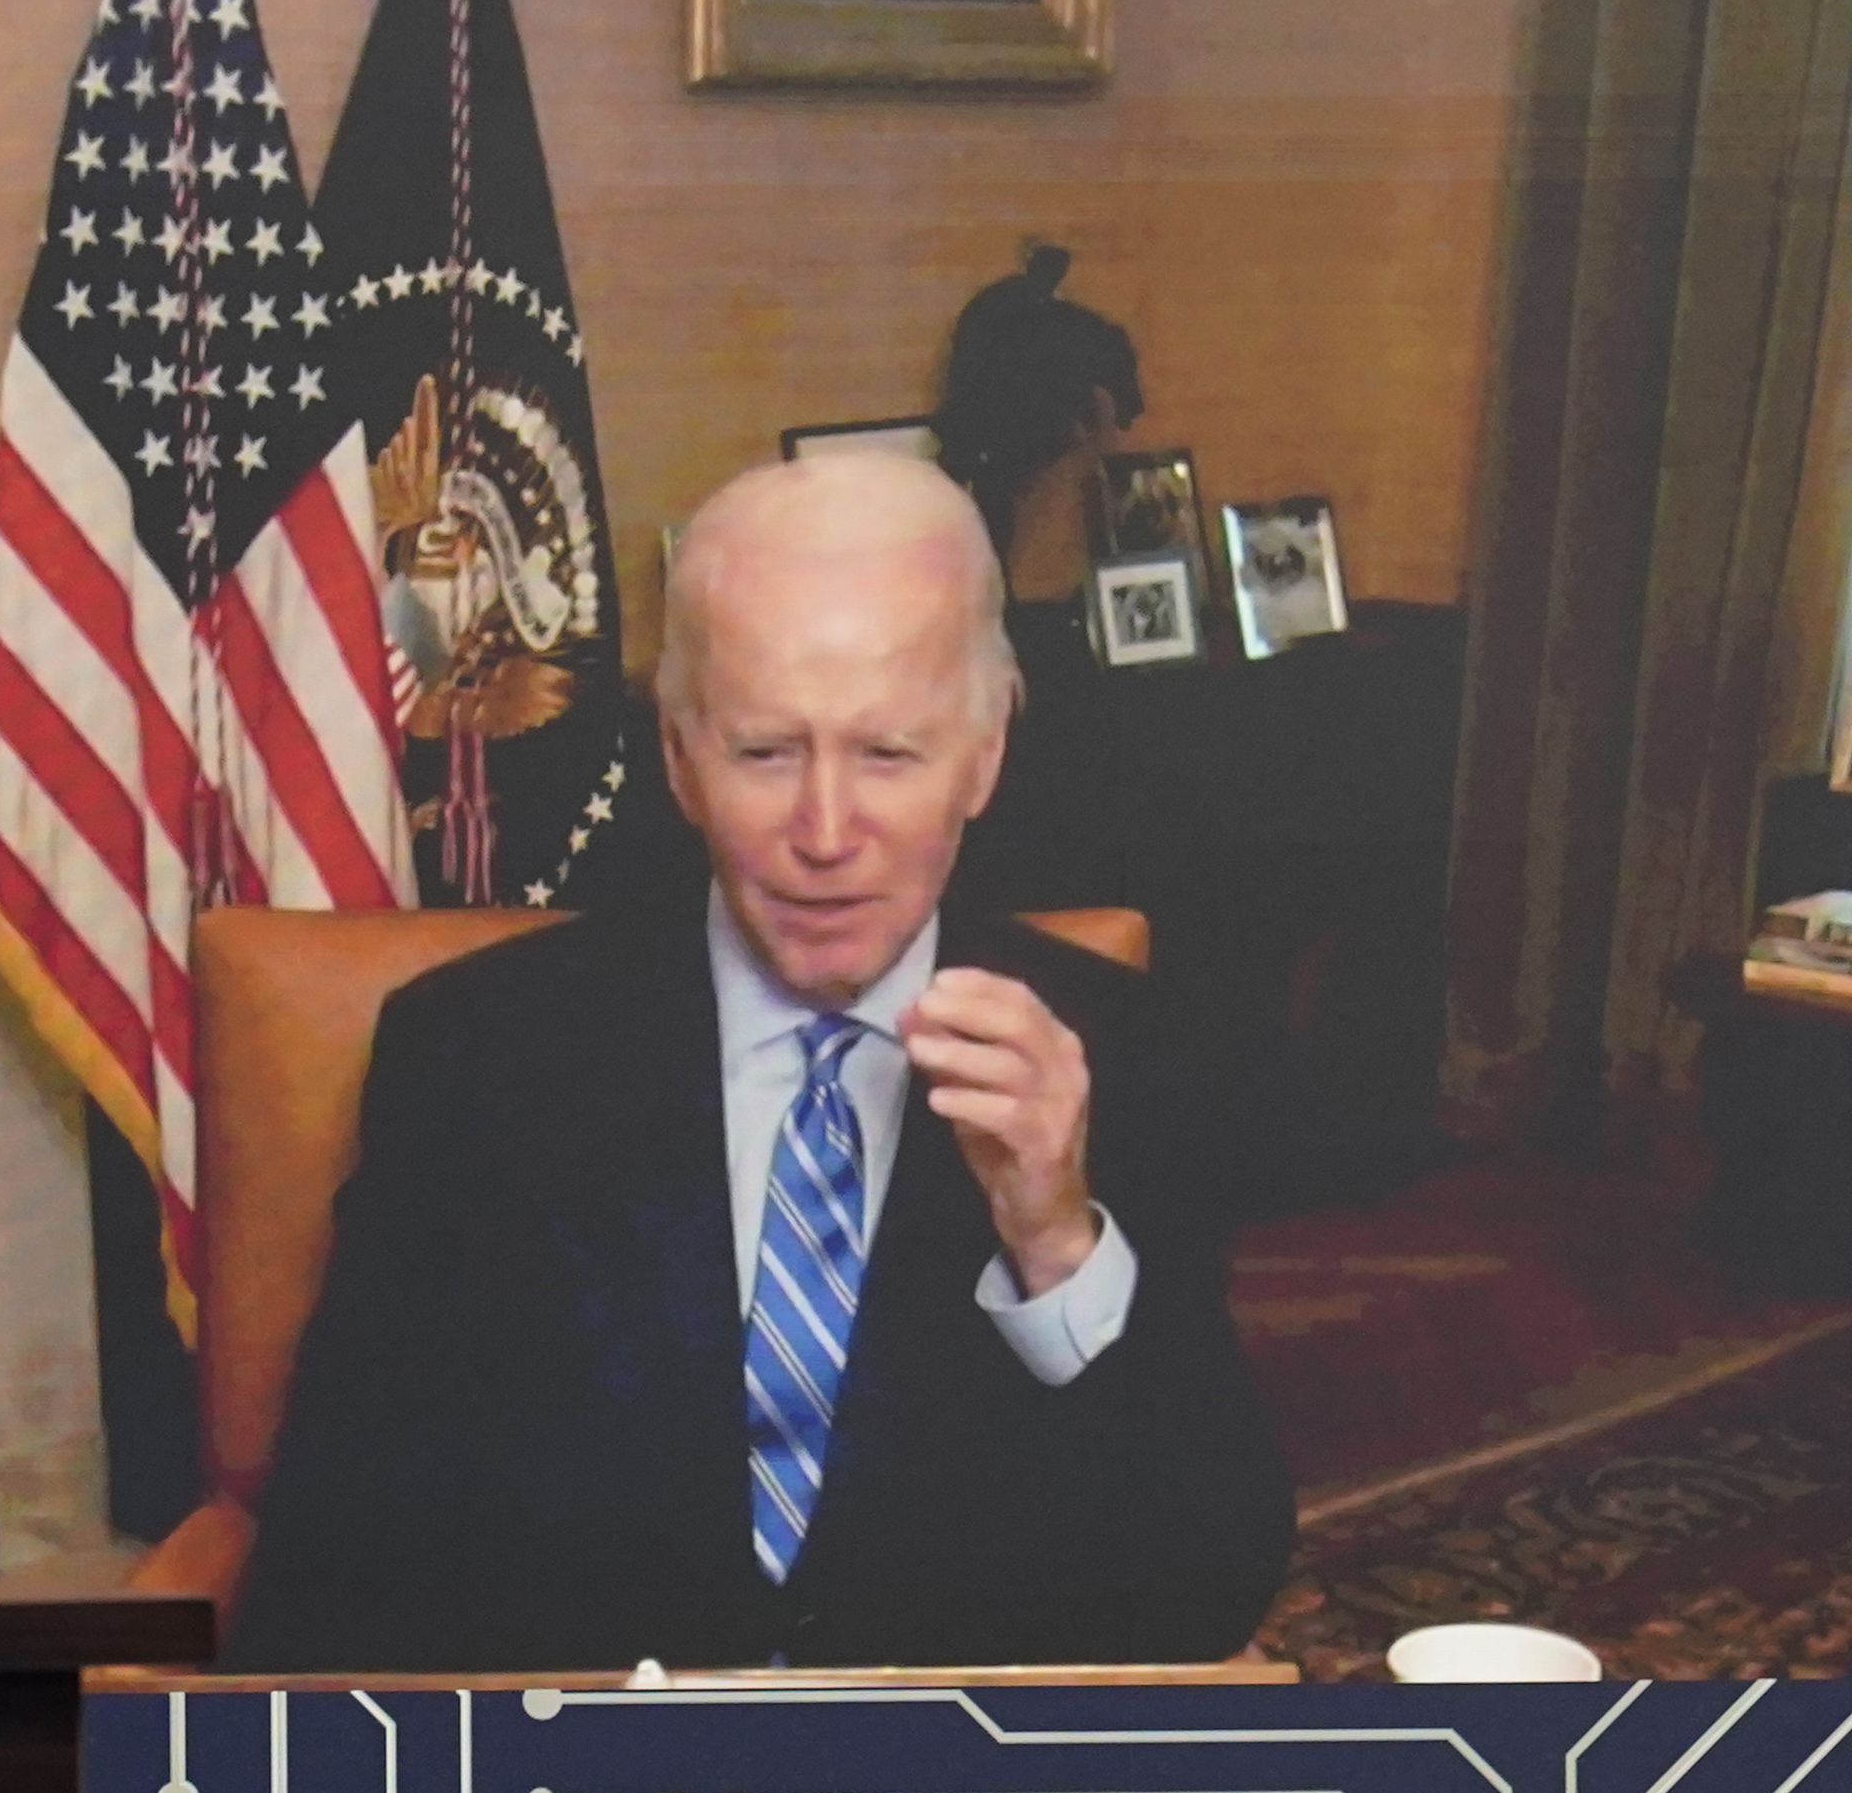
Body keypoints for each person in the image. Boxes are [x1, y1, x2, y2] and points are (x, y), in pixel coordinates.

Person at [233, 454, 1290, 1672]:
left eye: (888, 755)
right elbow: (335, 1557)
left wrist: (1056, 1240)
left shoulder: (1120, 1052)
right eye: (763, 754)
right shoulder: (475, 1054)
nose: (825, 835)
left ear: (985, 754)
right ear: (679, 756)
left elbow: (1207, 1590)